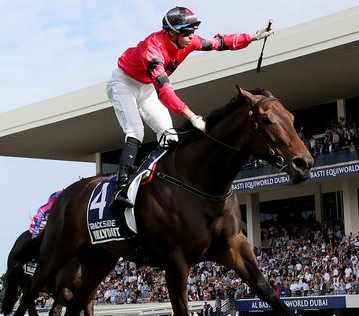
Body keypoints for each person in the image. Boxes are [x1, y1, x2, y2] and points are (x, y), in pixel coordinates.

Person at [107, 6, 274, 208]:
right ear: (171, 32)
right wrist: (192, 116)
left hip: (146, 87)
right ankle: (121, 188)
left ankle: (164, 185)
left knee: (169, 136)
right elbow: (165, 92)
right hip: (124, 83)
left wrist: (252, 38)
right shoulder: (153, 49)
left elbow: (219, 43)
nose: (191, 37)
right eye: (186, 32)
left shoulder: (188, 41)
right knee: (135, 131)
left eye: (192, 31)